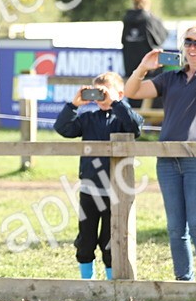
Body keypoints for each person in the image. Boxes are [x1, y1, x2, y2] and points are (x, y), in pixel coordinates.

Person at [125, 23, 196, 282]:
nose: (191, 47)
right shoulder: (169, 78)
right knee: (176, 228)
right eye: (188, 42)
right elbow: (131, 91)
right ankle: (183, 281)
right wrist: (143, 67)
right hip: (168, 160)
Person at [53, 72, 143, 280]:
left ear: (119, 94)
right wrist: (74, 105)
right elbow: (63, 128)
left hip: (116, 190)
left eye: (105, 93)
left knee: (111, 238)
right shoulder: (87, 118)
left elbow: (136, 126)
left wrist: (117, 104)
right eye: (97, 93)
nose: (100, 98)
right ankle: (87, 281)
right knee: (86, 238)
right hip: (90, 189)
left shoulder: (122, 119)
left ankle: (112, 281)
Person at [120, 0, 168, 100]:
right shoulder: (150, 19)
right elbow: (162, 37)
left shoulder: (126, 19)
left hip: (131, 71)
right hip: (152, 71)